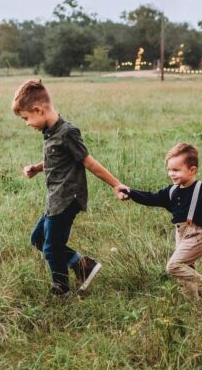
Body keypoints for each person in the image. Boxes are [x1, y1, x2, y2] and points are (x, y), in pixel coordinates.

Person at [13, 79, 127, 297]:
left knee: (51, 247)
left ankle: (61, 289)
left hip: (67, 199)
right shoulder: (50, 132)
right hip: (54, 199)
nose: (27, 123)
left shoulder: (67, 132)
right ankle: (83, 265)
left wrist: (116, 185)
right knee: (38, 239)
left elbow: (89, 162)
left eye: (26, 118)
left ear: (38, 110)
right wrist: (37, 168)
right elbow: (58, 160)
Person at [119, 143, 202, 304]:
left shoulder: (201, 188)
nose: (171, 174)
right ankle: (195, 306)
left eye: (176, 170)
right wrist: (130, 192)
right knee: (185, 273)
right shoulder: (172, 191)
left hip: (197, 236)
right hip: (181, 235)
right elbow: (151, 198)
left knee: (174, 266)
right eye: (169, 170)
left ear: (192, 170)